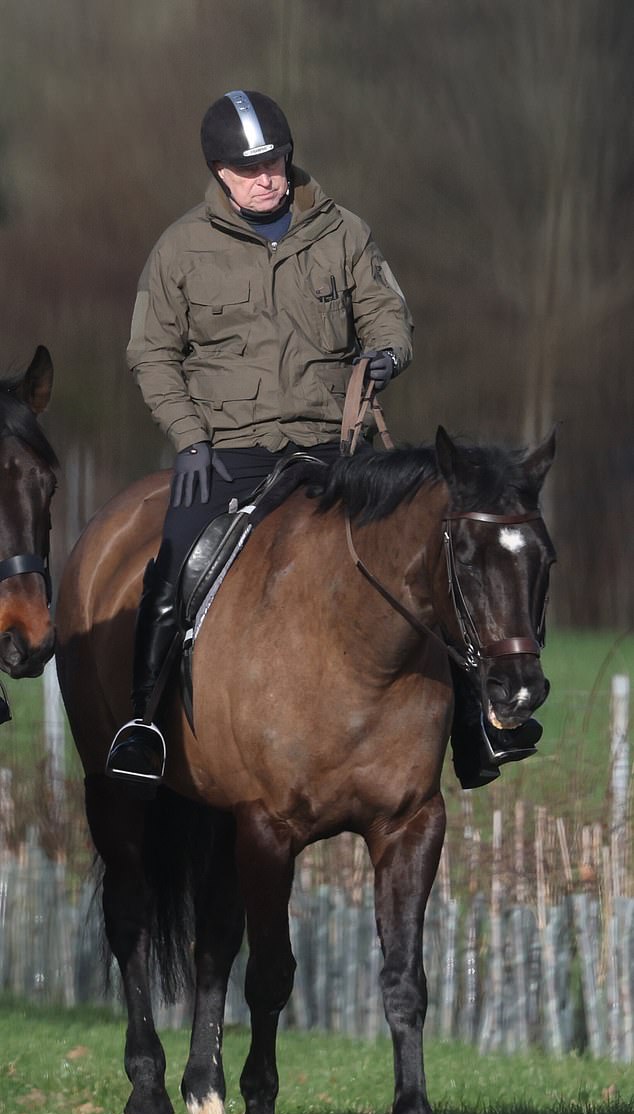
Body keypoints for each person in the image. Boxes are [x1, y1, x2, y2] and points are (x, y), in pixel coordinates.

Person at [106, 88, 414, 784]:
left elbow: (388, 315)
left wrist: (386, 355)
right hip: (230, 449)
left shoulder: (343, 233)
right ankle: (143, 723)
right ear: (218, 170)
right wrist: (188, 436)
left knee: (423, 543)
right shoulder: (181, 249)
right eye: (250, 169)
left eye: (275, 161)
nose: (268, 177)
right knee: (177, 552)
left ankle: (473, 727)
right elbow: (150, 353)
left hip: (329, 445)